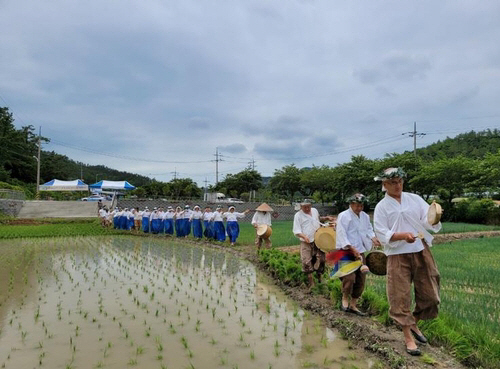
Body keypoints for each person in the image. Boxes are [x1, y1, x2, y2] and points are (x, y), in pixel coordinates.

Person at [373, 167, 442, 356]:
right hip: (397, 256)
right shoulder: (381, 207)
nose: (398, 185)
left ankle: (413, 323)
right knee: (400, 296)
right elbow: (381, 232)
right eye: (393, 182)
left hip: (420, 250)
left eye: (400, 181)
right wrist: (402, 236)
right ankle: (408, 337)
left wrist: (434, 220)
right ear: (384, 185)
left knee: (431, 294)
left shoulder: (414, 198)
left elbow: (426, 220)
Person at [336, 193, 381, 316]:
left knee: (361, 279)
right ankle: (345, 298)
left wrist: (373, 238)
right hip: (347, 250)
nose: (359, 208)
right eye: (357, 205)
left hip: (360, 250)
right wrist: (351, 247)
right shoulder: (344, 216)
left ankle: (353, 304)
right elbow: (341, 233)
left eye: (361, 205)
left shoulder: (365, 216)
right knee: (349, 277)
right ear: (351, 204)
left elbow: (368, 229)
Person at [293, 200, 335, 291]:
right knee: (306, 260)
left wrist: (327, 218)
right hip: (306, 242)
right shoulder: (298, 216)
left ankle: (320, 277)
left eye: (309, 206)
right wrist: (304, 236)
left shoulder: (314, 210)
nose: (307, 209)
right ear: (301, 207)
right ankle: (311, 282)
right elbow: (296, 230)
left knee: (321, 259)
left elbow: (318, 219)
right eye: (305, 207)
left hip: (318, 239)